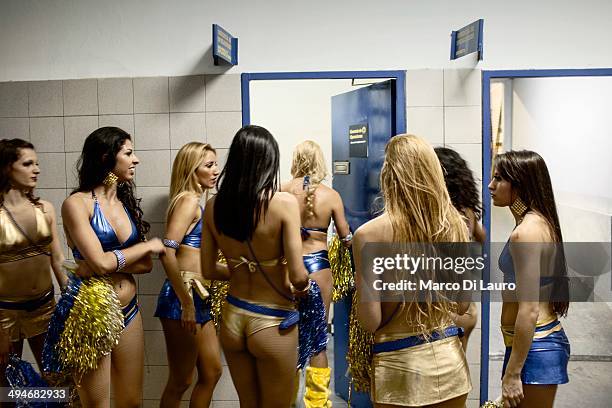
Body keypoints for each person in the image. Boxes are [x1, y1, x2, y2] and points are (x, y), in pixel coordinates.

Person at [355, 134, 471, 408]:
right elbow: (462, 304)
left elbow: (370, 321)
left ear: (389, 175)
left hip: (398, 369)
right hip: (449, 363)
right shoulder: (456, 226)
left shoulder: (368, 235)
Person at [201, 125, 311, 408]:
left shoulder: (213, 206)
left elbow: (209, 270)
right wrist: (303, 286)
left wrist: (242, 267)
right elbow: (298, 276)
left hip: (233, 318)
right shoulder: (283, 203)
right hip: (272, 321)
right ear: (269, 161)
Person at [56, 127, 165, 407]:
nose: (136, 159)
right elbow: (105, 262)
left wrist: (102, 264)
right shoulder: (76, 203)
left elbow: (143, 267)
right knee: (97, 404)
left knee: (132, 402)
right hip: (91, 313)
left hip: (129, 311)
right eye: (128, 153)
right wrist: (146, 246)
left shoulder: (124, 202)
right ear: (106, 157)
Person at [488, 150, 570, 408]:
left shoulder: (526, 232)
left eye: (499, 178)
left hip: (536, 345)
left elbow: (530, 309)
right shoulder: (537, 222)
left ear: (520, 183)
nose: (491, 185)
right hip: (529, 345)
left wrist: (512, 374)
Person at [281, 140, 351, 407]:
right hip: (319, 266)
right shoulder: (331, 195)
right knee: (318, 338)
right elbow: (346, 237)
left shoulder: (282, 192)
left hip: (289, 267)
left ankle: (286, 400)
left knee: (289, 337)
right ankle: (318, 403)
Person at [155, 142, 222, 407]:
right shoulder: (188, 202)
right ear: (191, 170)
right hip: (182, 296)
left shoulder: (197, 202)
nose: (215, 170)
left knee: (212, 371)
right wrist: (186, 303)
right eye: (208, 165)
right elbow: (166, 252)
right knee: (181, 380)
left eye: (216, 163)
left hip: (199, 294)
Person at [0, 138, 67, 391]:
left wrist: (70, 304)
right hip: (4, 314)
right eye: (28, 164)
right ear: (7, 167)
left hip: (44, 307)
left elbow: (58, 259)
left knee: (58, 381)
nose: (36, 169)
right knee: (7, 388)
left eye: (37, 163)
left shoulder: (45, 209)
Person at [435, 146, 485, 351]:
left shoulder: (441, 216)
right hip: (466, 306)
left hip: (446, 308)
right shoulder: (467, 212)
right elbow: (483, 238)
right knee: (458, 371)